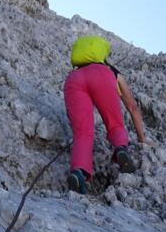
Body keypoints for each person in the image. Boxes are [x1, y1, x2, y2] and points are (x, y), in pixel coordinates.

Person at [63, 36, 148, 194]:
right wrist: (142, 139)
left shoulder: (76, 71)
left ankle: (78, 173)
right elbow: (132, 106)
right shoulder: (111, 71)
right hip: (101, 77)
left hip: (73, 81)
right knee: (114, 121)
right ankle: (121, 148)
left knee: (82, 133)